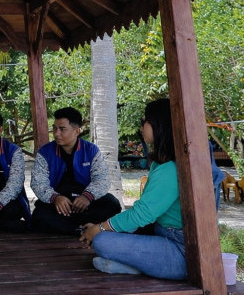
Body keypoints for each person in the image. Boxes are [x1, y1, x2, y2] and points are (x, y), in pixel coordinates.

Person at [79, 98, 187, 280]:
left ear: (160, 124)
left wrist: (100, 229)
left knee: (102, 241)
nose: (141, 127)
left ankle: (140, 265)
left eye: (144, 121)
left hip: (180, 253)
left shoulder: (169, 169)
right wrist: (103, 227)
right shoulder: (162, 164)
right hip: (161, 234)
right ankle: (137, 265)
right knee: (107, 231)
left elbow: (141, 215)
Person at [31, 107, 121, 236]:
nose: (56, 134)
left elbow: (102, 179)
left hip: (85, 201)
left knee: (112, 204)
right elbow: (38, 183)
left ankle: (73, 227)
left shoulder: (91, 150)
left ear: (77, 131)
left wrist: (87, 196)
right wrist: (55, 198)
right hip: (59, 202)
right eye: (54, 128)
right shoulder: (45, 152)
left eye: (62, 129)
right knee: (40, 215)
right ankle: (81, 229)